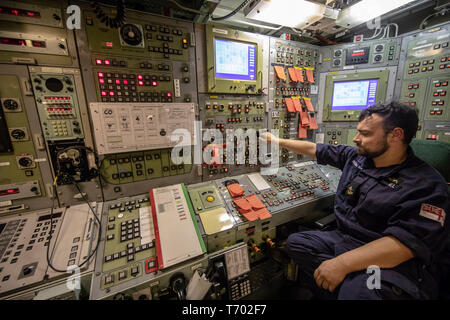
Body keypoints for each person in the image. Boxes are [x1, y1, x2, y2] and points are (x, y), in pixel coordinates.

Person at [260, 102, 449, 299]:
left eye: (366, 134)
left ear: (396, 135)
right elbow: (315, 149)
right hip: (347, 240)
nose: (356, 139)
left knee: (360, 291)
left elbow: (404, 246)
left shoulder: (426, 184)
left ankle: (351, 285)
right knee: (298, 243)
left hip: (391, 260)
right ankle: (347, 284)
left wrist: (341, 265)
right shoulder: (357, 158)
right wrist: (277, 140)